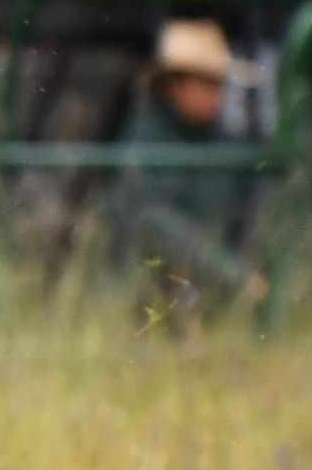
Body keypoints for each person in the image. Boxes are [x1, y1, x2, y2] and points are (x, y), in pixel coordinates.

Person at [113, 18, 264, 311]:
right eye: (206, 82)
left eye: (219, 82)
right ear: (173, 84)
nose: (216, 94)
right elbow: (152, 221)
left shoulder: (231, 144)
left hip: (215, 303)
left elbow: (257, 213)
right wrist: (228, 271)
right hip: (149, 303)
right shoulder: (143, 138)